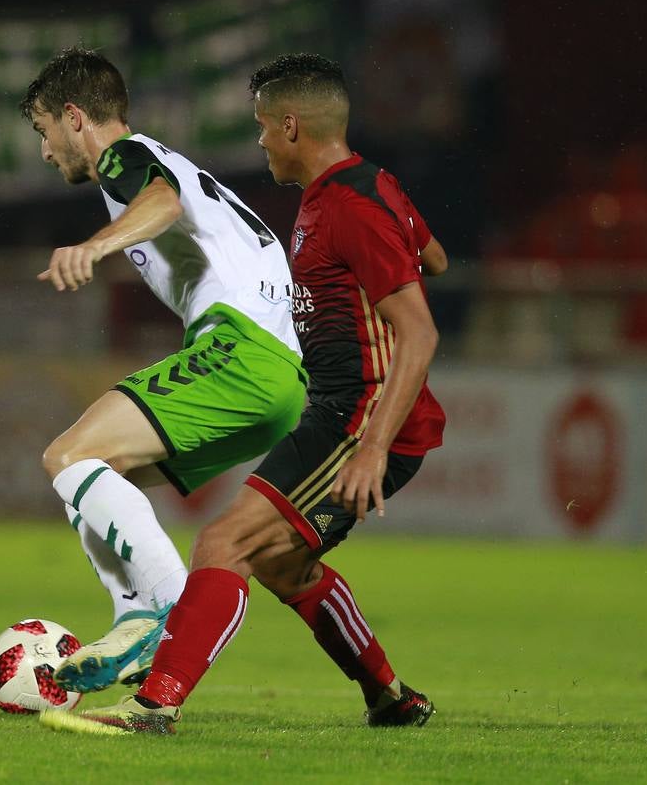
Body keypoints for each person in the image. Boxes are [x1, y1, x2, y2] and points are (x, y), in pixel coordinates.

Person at [44, 52, 447, 735]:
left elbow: (420, 331)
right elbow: (432, 258)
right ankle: (391, 697)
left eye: (262, 128)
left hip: (348, 411)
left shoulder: (345, 206)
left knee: (212, 538)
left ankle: (153, 688)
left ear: (291, 127)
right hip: (313, 393)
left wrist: (373, 443)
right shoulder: (363, 190)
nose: (257, 142)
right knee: (284, 564)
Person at [20, 47, 307, 693]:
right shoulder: (161, 163)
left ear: (74, 117)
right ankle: (135, 620)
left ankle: (171, 613)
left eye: (44, 132)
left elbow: (165, 201)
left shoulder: (125, 160)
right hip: (276, 378)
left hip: (240, 352)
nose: (45, 152)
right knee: (90, 474)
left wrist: (96, 247)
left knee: (67, 457)